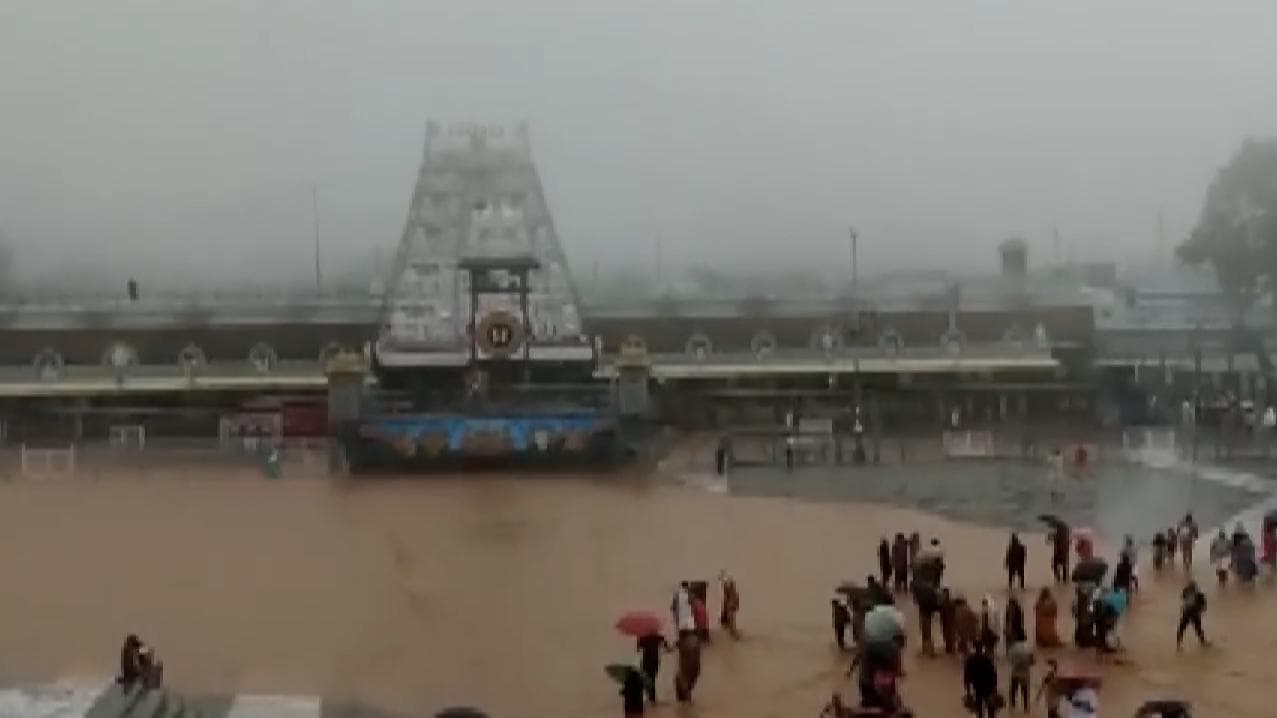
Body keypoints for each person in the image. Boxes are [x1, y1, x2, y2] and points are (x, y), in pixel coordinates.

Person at [962, 642, 1000, 718]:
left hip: (977, 685)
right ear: (982, 648)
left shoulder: (970, 660)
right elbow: (993, 673)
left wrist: (968, 688)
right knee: (990, 705)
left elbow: (967, 675)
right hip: (988, 685)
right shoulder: (987, 659)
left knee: (979, 706)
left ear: (974, 647)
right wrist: (995, 687)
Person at [636, 633, 671, 703]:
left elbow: (638, 649)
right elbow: (667, 647)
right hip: (655, 661)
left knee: (647, 678)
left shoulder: (643, 637)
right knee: (652, 679)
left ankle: (650, 698)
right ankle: (652, 699)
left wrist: (638, 640)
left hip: (646, 660)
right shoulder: (658, 636)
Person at [1176, 580, 1209, 650]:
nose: (1191, 589)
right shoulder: (1193, 593)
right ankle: (1179, 644)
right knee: (1182, 628)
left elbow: (1204, 605)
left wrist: (1201, 610)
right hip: (1188, 613)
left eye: (1192, 587)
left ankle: (1202, 641)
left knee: (1197, 628)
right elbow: (1204, 606)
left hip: (1192, 613)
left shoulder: (1199, 595)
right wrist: (1201, 610)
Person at [673, 632, 702, 703]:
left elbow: (675, 646)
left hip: (687, 668)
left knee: (680, 682)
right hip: (695, 668)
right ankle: (687, 703)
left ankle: (687, 704)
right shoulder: (696, 640)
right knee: (686, 686)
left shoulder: (682, 642)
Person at [1006, 639, 1034, 713]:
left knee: (1013, 690)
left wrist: (1017, 662)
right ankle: (1026, 707)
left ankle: (1012, 706)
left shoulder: (1013, 648)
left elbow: (1009, 660)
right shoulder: (1029, 648)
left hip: (1015, 673)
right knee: (1025, 690)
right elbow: (1033, 661)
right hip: (1025, 673)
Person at [719, 572, 741, 639]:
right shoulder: (728, 587)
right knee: (731, 619)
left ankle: (734, 633)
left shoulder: (729, 586)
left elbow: (732, 595)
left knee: (731, 619)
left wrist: (733, 605)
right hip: (730, 604)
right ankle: (733, 632)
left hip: (731, 604)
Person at [938, 588, 957, 655]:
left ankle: (950, 650)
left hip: (949, 621)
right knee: (949, 636)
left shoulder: (947, 603)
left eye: (945, 594)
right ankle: (950, 650)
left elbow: (942, 613)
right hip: (948, 621)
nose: (944, 595)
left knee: (949, 636)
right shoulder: (947, 603)